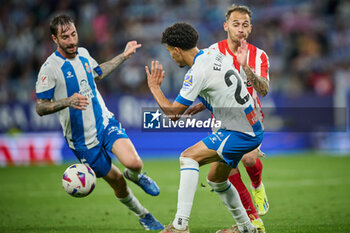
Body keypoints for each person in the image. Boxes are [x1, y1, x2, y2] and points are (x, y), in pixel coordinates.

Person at [35, 14, 164, 231]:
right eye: (65, 37)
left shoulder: (84, 53)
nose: (71, 40)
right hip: (82, 140)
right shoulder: (50, 69)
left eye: (73, 34)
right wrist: (67, 101)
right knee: (117, 182)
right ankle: (144, 215)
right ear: (55, 39)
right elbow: (40, 107)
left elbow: (98, 73)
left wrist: (123, 56)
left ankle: (137, 176)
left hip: (104, 122)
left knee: (134, 163)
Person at [145, 22, 264, 233]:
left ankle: (180, 225)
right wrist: (205, 102)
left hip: (240, 131)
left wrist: (154, 88)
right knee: (216, 179)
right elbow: (224, 86)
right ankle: (246, 228)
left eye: (170, 52)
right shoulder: (213, 54)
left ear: (177, 50)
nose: (171, 57)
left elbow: (173, 114)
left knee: (188, 157)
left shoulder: (196, 72)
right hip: (250, 125)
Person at [185, 5, 270, 231]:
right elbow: (214, 85)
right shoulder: (213, 52)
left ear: (250, 28)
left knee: (249, 159)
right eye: (235, 24)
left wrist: (245, 67)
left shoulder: (259, 55)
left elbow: (263, 90)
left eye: (245, 25)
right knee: (229, 171)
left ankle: (257, 185)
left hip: (250, 119)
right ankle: (253, 220)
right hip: (221, 120)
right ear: (226, 26)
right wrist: (201, 104)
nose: (240, 29)